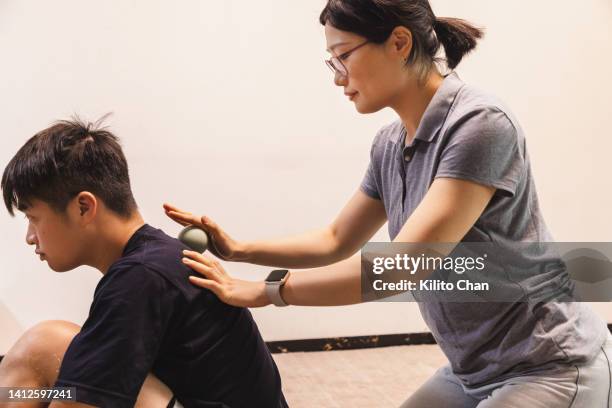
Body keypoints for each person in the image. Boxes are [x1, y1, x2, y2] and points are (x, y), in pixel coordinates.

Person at [165, 0, 612, 407]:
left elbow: (403, 264)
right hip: (471, 372)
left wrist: (269, 292)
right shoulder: (389, 145)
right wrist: (240, 249)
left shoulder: (481, 124)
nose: (338, 76)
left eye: (344, 55)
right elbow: (336, 239)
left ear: (399, 42)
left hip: (549, 364)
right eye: (331, 61)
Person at [0, 118, 288, 408]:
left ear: (83, 207)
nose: (30, 237)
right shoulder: (155, 259)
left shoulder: (140, 277)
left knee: (44, 345)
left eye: (33, 218)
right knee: (54, 376)